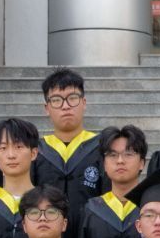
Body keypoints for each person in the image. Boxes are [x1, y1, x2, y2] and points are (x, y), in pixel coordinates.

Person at [32, 68, 111, 197]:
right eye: (56, 100)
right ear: (47, 108)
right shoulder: (37, 151)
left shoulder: (102, 147)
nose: (65, 106)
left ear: (84, 103)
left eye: (72, 98)